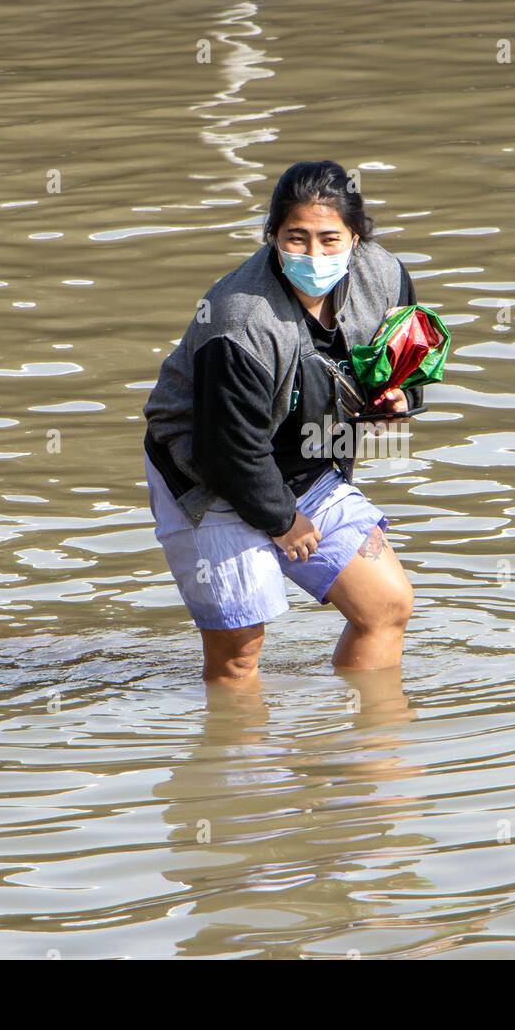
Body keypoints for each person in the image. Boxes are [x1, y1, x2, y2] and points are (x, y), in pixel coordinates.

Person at [142, 160, 427, 685]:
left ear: (357, 240)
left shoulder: (383, 274)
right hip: (210, 477)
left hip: (307, 464)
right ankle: (245, 762)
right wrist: (282, 521)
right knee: (239, 654)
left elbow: (404, 351)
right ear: (272, 234)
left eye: (329, 239)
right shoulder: (241, 320)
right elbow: (225, 449)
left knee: (386, 606)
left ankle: (365, 752)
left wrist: (397, 396)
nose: (314, 254)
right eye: (296, 238)